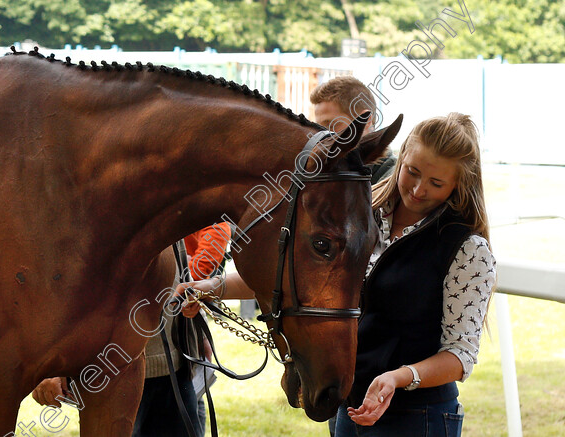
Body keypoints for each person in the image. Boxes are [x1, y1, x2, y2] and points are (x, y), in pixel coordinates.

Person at [179, 113, 495, 437]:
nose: (417, 189)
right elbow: (297, 278)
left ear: (459, 184)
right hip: (351, 410)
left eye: (436, 183)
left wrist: (397, 378)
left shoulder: (468, 249)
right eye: (412, 172)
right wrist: (211, 287)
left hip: (419, 418)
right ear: (401, 159)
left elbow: (460, 356)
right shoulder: (362, 217)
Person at [31, 223, 231, 437]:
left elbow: (214, 226)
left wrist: (194, 332)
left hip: (175, 362)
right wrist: (51, 358)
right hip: (110, 367)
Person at [310, 76, 396, 184]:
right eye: (319, 128)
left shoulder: (392, 181)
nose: (322, 136)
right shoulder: (324, 172)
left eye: (332, 125)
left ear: (366, 121)